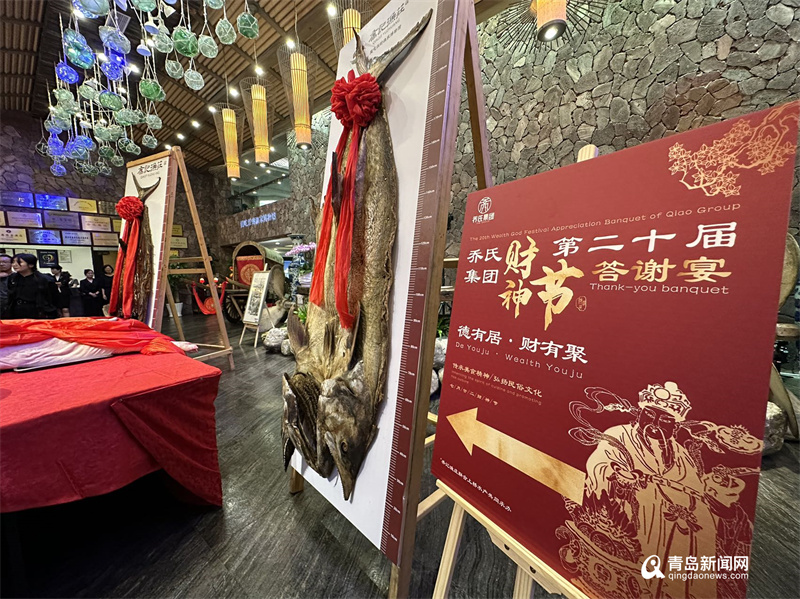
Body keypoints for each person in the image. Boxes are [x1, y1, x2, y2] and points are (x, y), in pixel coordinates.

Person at [3, 253, 58, 319]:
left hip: (37, 310)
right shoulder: (12, 278)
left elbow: (53, 297)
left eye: (19, 262)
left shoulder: (44, 279)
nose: (14, 265)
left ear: (31, 265)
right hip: (16, 310)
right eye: (13, 262)